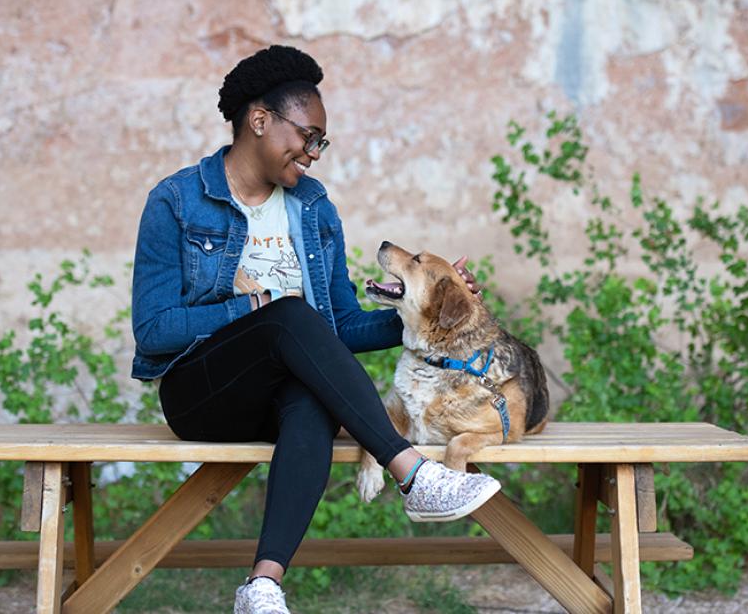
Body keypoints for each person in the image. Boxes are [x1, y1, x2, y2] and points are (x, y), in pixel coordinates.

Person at [130, 45, 502, 614]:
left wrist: (425, 313)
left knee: (310, 392)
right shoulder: (178, 201)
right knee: (285, 315)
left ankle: (262, 588)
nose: (314, 153)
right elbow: (154, 331)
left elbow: (340, 327)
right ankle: (412, 474)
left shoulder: (312, 207)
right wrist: (252, 308)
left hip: (281, 392)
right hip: (202, 394)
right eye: (309, 137)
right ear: (259, 121)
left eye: (321, 143)